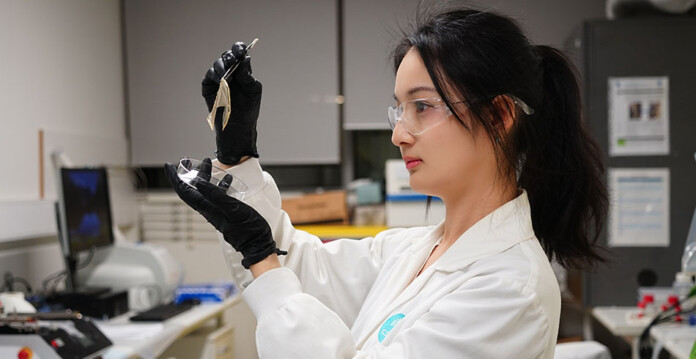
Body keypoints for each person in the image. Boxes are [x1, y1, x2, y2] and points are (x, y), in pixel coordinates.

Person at [165, 7, 608, 358]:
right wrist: (237, 156)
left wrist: (260, 256)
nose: (399, 134)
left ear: (498, 116)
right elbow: (299, 268)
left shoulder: (509, 289)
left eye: (423, 106)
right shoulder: (416, 250)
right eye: (399, 109)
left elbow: (272, 269)